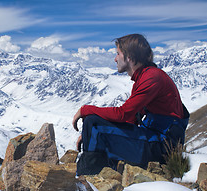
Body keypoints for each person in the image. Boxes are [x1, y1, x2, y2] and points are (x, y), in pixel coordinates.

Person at [72, 34, 189, 176]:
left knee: (93, 122)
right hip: (155, 140)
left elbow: (123, 114)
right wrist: (87, 134)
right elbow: (131, 119)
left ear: (130, 57)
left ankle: (86, 179)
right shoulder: (145, 77)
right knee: (94, 126)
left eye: (118, 54)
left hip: (162, 146)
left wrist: (85, 110)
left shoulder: (152, 78)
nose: (115, 59)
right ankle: (98, 175)